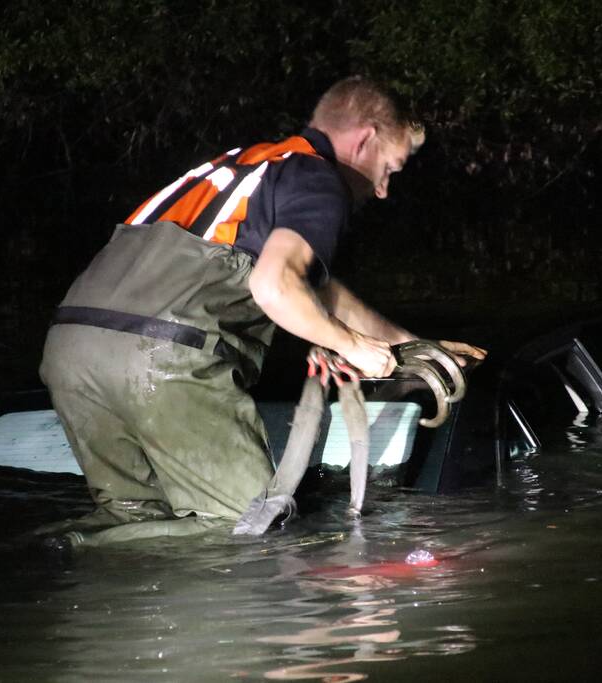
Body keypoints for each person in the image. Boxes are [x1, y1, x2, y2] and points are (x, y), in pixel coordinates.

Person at [37, 76, 485, 547]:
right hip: (158, 357)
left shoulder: (239, 167)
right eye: (390, 169)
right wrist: (352, 348)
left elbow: (315, 290)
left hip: (70, 347)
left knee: (127, 514)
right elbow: (273, 286)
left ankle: (78, 553)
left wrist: (407, 346)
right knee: (248, 535)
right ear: (366, 138)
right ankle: (69, 549)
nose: (383, 191)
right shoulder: (317, 180)